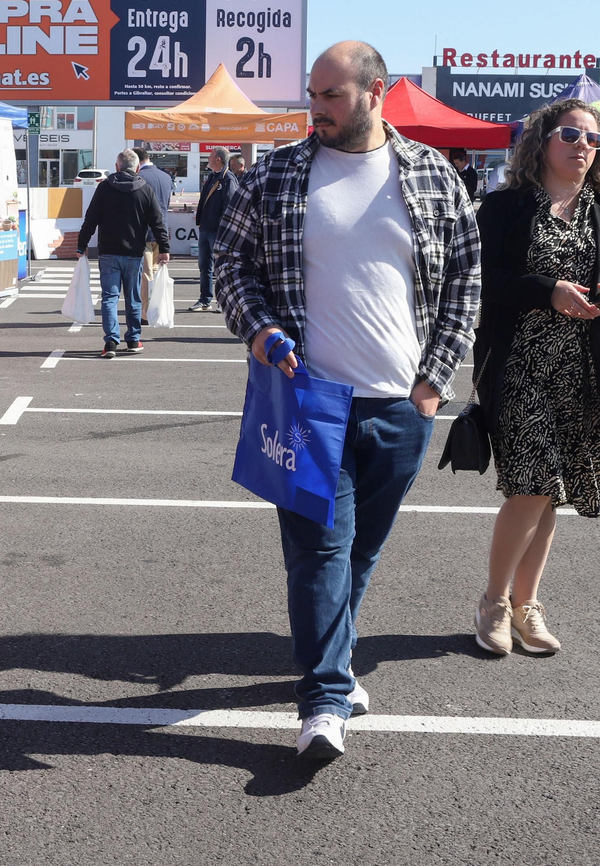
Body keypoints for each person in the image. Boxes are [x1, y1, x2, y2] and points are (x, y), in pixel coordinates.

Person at [214, 41, 480, 761]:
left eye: (331, 95)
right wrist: (259, 328)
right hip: (307, 401)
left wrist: (434, 382)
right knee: (320, 551)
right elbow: (230, 263)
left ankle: (336, 657)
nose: (317, 108)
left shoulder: (430, 173)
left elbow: (466, 277)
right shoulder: (276, 173)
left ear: (375, 92)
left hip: (402, 405)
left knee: (360, 550)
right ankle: (324, 699)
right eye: (313, 94)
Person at [471, 98, 600, 659]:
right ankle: (495, 603)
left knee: (548, 496)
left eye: (593, 139)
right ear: (542, 142)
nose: (582, 146)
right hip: (517, 365)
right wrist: (549, 291)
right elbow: (484, 278)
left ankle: (527, 605)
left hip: (576, 372)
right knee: (532, 486)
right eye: (570, 135)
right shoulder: (506, 206)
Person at [76, 149, 171, 359]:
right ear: (137, 168)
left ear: (117, 166)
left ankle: (111, 341)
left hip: (108, 251)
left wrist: (81, 245)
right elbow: (158, 222)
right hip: (134, 253)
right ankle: (133, 339)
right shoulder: (145, 189)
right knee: (133, 297)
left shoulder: (104, 188)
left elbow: (90, 219)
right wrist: (164, 248)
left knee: (109, 297)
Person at [191, 147, 234, 311]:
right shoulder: (212, 177)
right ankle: (205, 299)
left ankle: (223, 301)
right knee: (204, 267)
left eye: (210, 155)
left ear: (218, 159)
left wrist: (223, 230)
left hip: (217, 231)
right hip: (205, 229)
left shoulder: (228, 179)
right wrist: (200, 220)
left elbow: (229, 208)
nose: (208, 158)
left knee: (221, 267)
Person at [135, 149, 174, 302]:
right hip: (161, 229)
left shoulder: (139, 177)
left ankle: (145, 310)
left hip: (144, 231)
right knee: (156, 271)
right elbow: (166, 203)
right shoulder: (166, 177)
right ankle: (157, 307)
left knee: (146, 273)